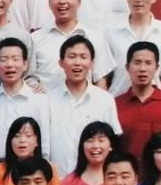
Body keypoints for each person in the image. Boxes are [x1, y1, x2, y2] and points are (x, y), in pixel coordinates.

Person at [47, 35, 122, 176]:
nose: (77, 62)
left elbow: (113, 142)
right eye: (72, 57)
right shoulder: (47, 100)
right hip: (57, 179)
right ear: (61, 63)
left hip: (94, 181)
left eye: (83, 57)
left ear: (92, 63)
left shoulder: (105, 100)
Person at [30, 0, 114, 91]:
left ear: (79, 2)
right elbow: (28, 77)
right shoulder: (35, 39)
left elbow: (101, 79)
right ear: (49, 3)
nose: (62, 1)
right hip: (45, 101)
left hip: (83, 101)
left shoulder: (95, 37)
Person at [114, 41, 161, 160]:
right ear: (127, 67)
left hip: (159, 169)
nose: (142, 69)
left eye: (148, 63)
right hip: (127, 170)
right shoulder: (116, 104)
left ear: (156, 68)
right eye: (137, 63)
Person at [0, 38, 50, 162]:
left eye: (15, 59)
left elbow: (44, 140)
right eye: (4, 59)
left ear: (25, 64)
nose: (9, 64)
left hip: (28, 167)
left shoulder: (39, 99)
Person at [61, 121, 121, 185]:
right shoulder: (69, 181)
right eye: (90, 140)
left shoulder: (119, 180)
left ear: (111, 146)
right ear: (82, 146)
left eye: (101, 140)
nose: (95, 146)